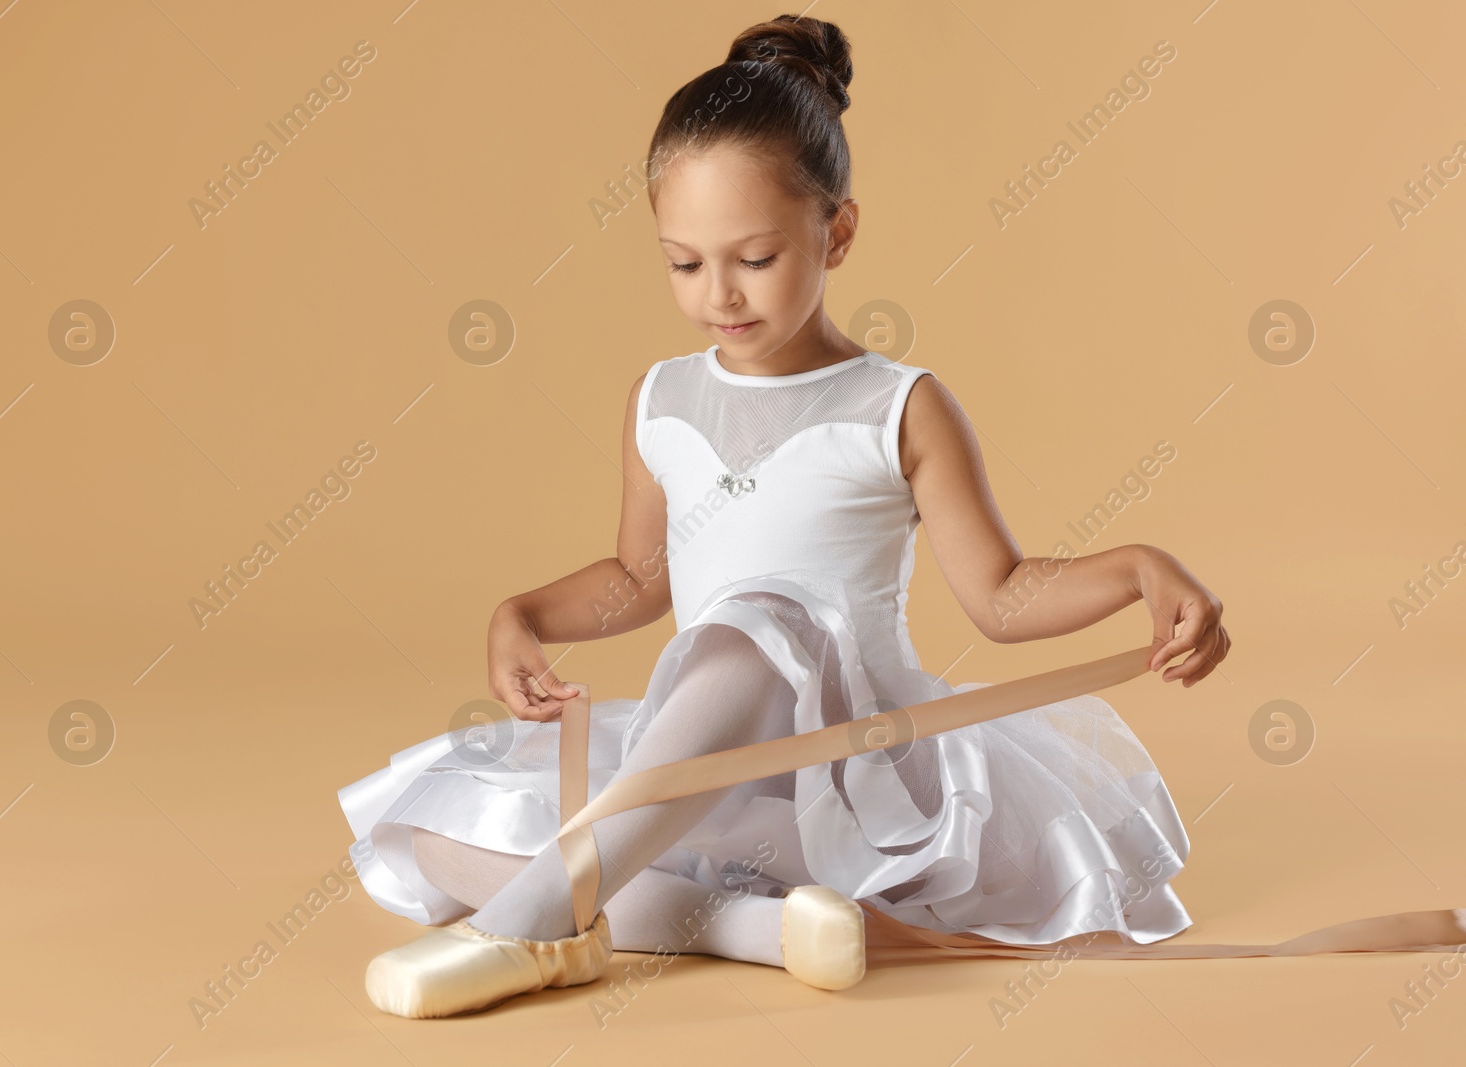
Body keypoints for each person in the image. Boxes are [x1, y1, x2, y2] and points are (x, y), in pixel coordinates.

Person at [337, 13, 1231, 1019]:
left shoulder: (897, 405)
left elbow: (1003, 596)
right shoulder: (661, 397)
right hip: (716, 772)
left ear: (836, 232)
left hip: (851, 779)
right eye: (683, 263)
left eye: (752, 258)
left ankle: (529, 918)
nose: (718, 293)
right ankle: (747, 927)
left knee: (765, 622)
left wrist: (1139, 566)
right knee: (421, 825)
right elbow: (641, 576)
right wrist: (524, 612)